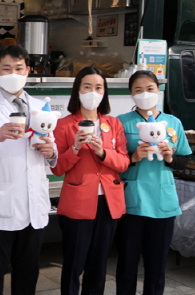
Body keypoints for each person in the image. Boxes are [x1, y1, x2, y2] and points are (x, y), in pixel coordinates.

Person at [0, 44, 57, 295]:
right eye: (6, 68)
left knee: (28, 274)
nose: (13, 73)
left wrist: (52, 152)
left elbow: (54, 153)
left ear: (28, 70)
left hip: (34, 206)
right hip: (0, 208)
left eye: (19, 68)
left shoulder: (42, 107)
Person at [51, 66, 130, 295]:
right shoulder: (65, 124)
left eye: (98, 87)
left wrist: (103, 153)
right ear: (77, 90)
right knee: (74, 264)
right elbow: (57, 168)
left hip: (108, 203)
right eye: (87, 86)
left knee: (99, 265)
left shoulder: (113, 124)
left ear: (104, 92)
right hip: (77, 204)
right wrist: (75, 147)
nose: (93, 92)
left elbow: (124, 162)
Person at [116, 70, 191, 295]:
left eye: (150, 88)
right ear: (131, 94)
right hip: (132, 201)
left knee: (157, 265)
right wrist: (133, 158)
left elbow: (184, 160)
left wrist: (170, 157)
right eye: (138, 90)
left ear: (158, 90)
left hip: (162, 201)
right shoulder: (121, 122)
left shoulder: (173, 122)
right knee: (127, 262)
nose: (145, 93)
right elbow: (113, 161)